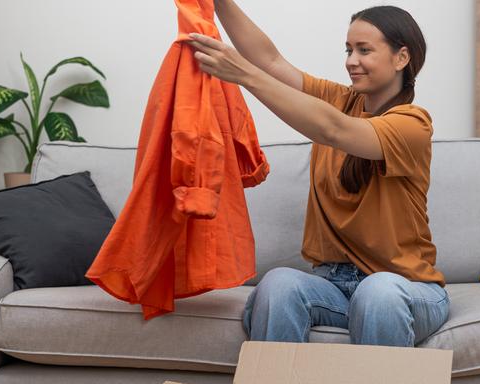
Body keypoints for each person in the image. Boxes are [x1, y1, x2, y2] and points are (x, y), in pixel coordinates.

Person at [186, 1, 448, 346]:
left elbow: (334, 131)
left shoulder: (413, 124)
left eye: (364, 50)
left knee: (378, 291)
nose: (351, 61)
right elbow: (269, 61)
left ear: (401, 58)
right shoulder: (340, 100)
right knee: (279, 283)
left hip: (405, 288)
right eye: (349, 49)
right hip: (333, 285)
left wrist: (245, 76)